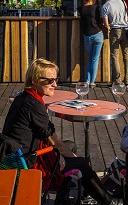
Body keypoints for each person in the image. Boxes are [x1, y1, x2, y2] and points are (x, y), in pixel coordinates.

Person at [2, 58, 119, 205]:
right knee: (81, 163)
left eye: (55, 79)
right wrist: (71, 157)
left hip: (17, 155)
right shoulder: (33, 105)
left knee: (70, 145)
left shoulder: (23, 97)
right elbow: (55, 142)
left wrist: (65, 153)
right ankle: (109, 202)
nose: (55, 84)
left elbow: (52, 140)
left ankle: (62, 198)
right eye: (50, 81)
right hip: (28, 160)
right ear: (35, 80)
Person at [101, 0, 128, 88]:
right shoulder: (122, 1)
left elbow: (106, 24)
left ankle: (117, 81)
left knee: (114, 56)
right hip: (126, 30)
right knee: (126, 56)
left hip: (115, 31)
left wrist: (108, 27)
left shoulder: (105, 6)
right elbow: (127, 16)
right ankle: (127, 81)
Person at [78, 0, 104, 88]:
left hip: (87, 35)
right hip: (98, 34)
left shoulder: (81, 9)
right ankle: (92, 82)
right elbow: (100, 20)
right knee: (95, 59)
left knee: (90, 59)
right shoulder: (96, 8)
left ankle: (88, 81)